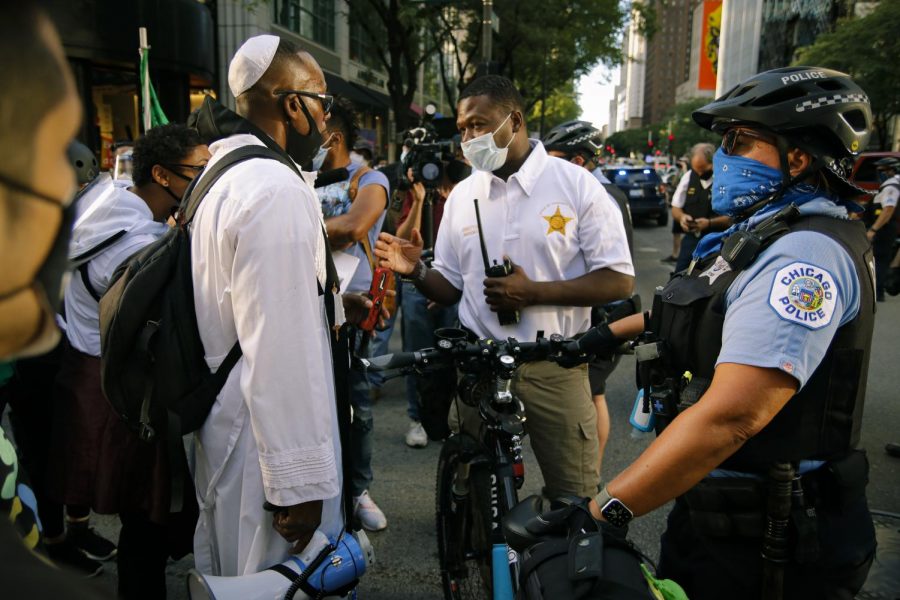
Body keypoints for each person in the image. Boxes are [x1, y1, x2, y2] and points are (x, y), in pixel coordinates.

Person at [584, 67, 877, 600]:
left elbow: (734, 417)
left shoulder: (804, 257)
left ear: (797, 158)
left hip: (774, 545)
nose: (722, 156)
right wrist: (600, 337)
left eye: (740, 141)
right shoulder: (758, 236)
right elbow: (707, 309)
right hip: (713, 517)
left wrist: (605, 507)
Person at [376, 75, 634, 501]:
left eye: (478, 124)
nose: (468, 137)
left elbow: (618, 280)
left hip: (556, 365)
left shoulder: (575, 185)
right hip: (480, 366)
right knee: (476, 495)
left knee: (574, 499)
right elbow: (451, 287)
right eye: (462, 128)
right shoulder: (463, 195)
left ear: (513, 120)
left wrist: (533, 293)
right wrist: (415, 271)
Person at [187, 34, 371, 577]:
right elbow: (278, 348)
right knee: (276, 583)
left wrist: (333, 308)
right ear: (294, 105)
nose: (326, 120)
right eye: (322, 101)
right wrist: (299, 484)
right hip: (263, 457)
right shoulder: (274, 187)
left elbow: (246, 305)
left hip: (235, 431)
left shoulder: (223, 175)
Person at [47, 124, 209, 597]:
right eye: (197, 171)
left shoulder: (102, 204)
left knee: (141, 517)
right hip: (126, 395)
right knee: (146, 520)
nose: (205, 180)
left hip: (87, 373)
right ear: (161, 174)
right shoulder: (139, 242)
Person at [0, 2, 113, 598]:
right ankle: (54, 536)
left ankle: (60, 532)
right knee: (43, 456)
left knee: (51, 455)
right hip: (30, 371)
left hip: (41, 360)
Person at [542, 120, 634, 478]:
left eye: (556, 159)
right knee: (594, 393)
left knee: (592, 395)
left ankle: (587, 480)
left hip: (603, 312)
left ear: (579, 161)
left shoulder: (596, 194)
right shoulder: (601, 189)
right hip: (600, 310)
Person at [315, 96, 390, 532]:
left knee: (357, 408)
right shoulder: (300, 178)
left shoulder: (369, 178)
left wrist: (292, 228)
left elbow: (354, 228)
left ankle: (358, 489)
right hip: (310, 307)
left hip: (353, 316)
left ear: (333, 137)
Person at [394, 160, 467, 449]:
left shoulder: (464, 194)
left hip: (452, 279)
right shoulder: (415, 192)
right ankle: (417, 419)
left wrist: (453, 205)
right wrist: (419, 200)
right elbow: (402, 239)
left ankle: (447, 418)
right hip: (416, 279)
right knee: (417, 356)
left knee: (452, 356)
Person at [670, 143, 731, 272]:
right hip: (692, 239)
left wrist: (709, 223)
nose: (699, 173)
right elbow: (675, 207)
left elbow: (733, 217)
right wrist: (682, 217)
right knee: (679, 275)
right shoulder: (688, 176)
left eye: (703, 169)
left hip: (719, 241)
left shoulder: (726, 179)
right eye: (696, 169)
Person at [865, 156, 899, 301]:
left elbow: (888, 210)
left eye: (882, 170)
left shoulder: (891, 186)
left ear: (892, 171)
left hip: (884, 229)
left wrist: (873, 230)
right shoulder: (891, 184)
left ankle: (876, 292)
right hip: (886, 228)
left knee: (878, 259)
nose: (879, 174)